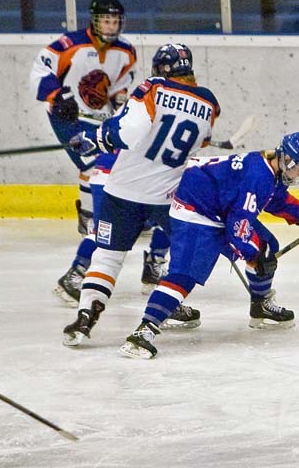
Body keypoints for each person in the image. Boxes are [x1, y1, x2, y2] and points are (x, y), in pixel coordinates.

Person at [118, 132, 299, 359]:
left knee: (267, 245)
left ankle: (261, 304)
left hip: (218, 208)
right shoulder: (259, 175)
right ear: (287, 159)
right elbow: (238, 227)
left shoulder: (271, 170)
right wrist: (254, 253)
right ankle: (144, 331)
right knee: (184, 275)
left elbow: (274, 199)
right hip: (196, 209)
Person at [62, 43, 220, 347]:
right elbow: (200, 142)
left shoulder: (152, 88)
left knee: (107, 257)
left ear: (161, 69)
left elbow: (127, 133)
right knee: (184, 255)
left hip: (122, 193)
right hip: (166, 199)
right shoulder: (209, 102)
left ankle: (85, 318)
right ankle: (168, 305)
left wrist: (96, 136)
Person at [28, 0, 171, 305]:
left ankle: (95, 219)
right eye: (106, 20)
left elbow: (123, 83)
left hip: (101, 119)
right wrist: (55, 96)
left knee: (103, 165)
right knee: (95, 165)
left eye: (115, 20)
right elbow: (41, 72)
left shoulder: (126, 51)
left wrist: (120, 99)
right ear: (94, 20)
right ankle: (93, 218)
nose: (111, 25)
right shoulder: (69, 45)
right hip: (68, 117)